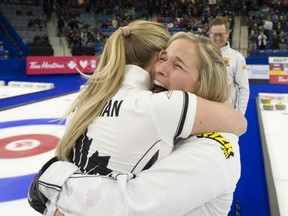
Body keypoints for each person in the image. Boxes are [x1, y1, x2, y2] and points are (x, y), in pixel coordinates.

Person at [29, 31, 246, 216]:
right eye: (163, 58)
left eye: (177, 65)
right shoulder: (164, 119)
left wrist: (53, 178)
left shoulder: (215, 147)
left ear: (204, 83)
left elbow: (131, 205)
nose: (160, 69)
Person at [209, 17, 250, 115]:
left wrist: (240, 114)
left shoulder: (237, 58)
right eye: (215, 35)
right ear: (209, 34)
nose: (218, 38)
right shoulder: (202, 55)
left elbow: (243, 88)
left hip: (226, 113)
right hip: (205, 112)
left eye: (221, 34)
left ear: (228, 34)